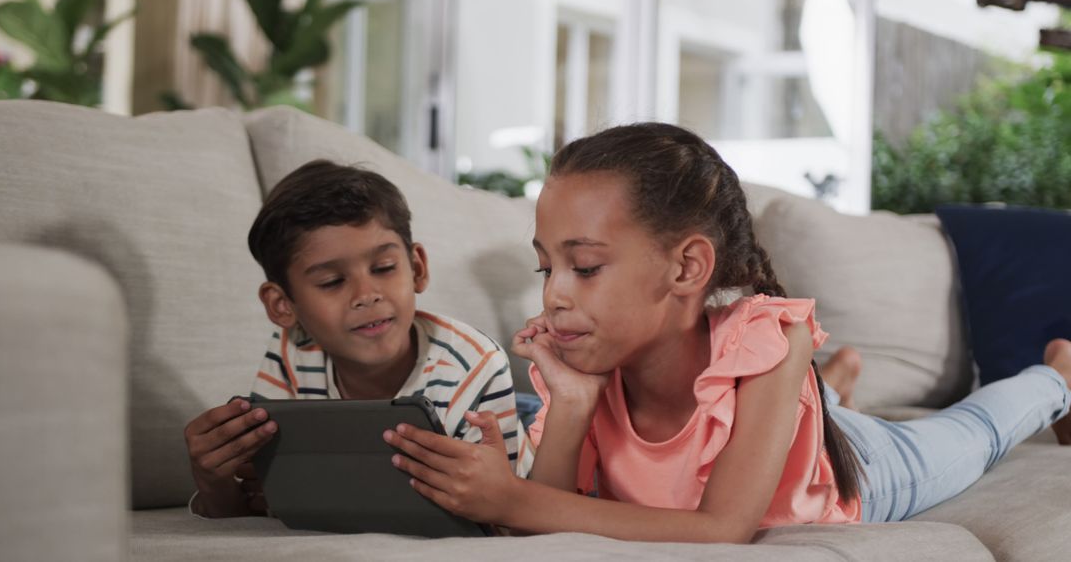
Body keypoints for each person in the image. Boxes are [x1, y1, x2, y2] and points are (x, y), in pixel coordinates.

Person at [382, 123, 1071, 543]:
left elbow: (723, 530)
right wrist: (571, 407)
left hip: (861, 469)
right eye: (547, 267)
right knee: (794, 410)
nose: (555, 294)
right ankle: (826, 394)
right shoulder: (586, 366)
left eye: (585, 267)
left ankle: (1058, 376)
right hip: (772, 419)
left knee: (975, 435)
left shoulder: (769, 341)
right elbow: (548, 521)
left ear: (686, 268)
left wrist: (511, 496)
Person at [184, 159, 534, 518]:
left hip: (514, 429)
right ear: (283, 305)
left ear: (416, 269)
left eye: (383, 268)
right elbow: (260, 503)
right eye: (332, 282)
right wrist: (214, 481)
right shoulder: (292, 350)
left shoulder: (475, 365)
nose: (367, 294)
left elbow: (503, 510)